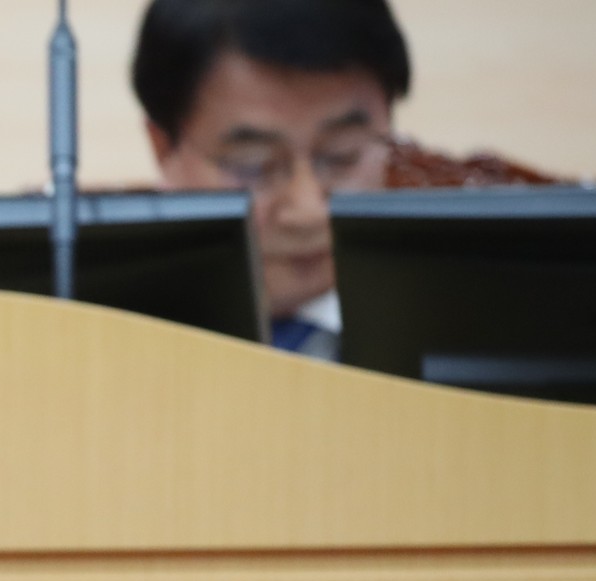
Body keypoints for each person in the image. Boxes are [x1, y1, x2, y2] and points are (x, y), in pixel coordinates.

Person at [135, 0, 409, 360]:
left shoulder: (464, 314)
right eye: (254, 166)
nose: (308, 212)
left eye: (342, 155)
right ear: (163, 147)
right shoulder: (98, 328)